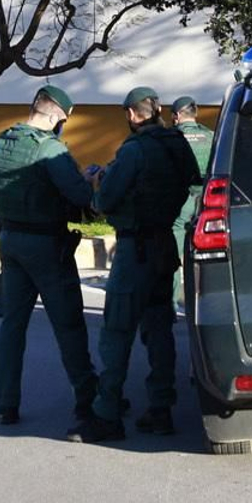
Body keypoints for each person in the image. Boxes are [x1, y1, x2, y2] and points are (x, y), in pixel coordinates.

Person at [67, 86, 201, 443]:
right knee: (159, 329)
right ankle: (161, 408)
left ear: (131, 114)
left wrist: (97, 182)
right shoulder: (178, 144)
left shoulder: (135, 151)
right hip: (164, 246)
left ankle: (106, 414)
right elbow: (190, 182)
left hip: (135, 249)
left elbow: (106, 200)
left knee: (117, 332)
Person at [0, 83, 98, 427]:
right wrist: (88, 178)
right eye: (64, 119)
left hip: (10, 240)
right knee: (68, 324)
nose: (63, 125)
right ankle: (87, 399)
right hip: (46, 246)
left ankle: (7, 403)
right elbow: (79, 195)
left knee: (12, 325)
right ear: (55, 115)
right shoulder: (49, 149)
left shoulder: (4, 140)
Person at [168, 96, 214, 313]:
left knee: (172, 255)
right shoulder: (211, 136)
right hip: (208, 202)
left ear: (176, 116)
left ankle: (171, 304)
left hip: (179, 202)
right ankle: (208, 303)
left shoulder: (172, 137)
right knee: (208, 253)